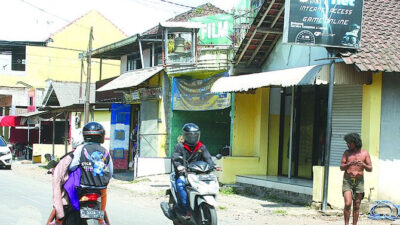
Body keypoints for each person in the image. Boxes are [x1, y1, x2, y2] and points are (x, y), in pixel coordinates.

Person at [172, 123, 220, 220]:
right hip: (184, 173)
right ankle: (187, 209)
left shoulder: (201, 146)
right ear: (185, 135)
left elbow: (208, 158)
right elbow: (175, 158)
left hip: (198, 173)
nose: (193, 137)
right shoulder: (180, 146)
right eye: (190, 135)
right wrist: (179, 166)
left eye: (195, 135)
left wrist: (214, 166)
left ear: (198, 135)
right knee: (181, 184)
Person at [69, 122, 113, 225]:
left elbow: (72, 166)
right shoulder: (105, 151)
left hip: (84, 186)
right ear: (101, 136)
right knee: (103, 195)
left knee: (70, 199)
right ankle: (101, 221)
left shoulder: (81, 148)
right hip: (100, 187)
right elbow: (110, 172)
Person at [46, 128, 84, 225]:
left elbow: (59, 178)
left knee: (59, 199)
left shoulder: (70, 156)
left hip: (71, 195)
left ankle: (57, 220)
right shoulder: (97, 154)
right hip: (94, 191)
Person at [340, 133, 372, 225]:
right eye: (347, 143)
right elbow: (341, 167)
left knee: (357, 206)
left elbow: (370, 168)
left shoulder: (364, 153)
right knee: (348, 203)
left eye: (349, 143)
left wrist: (363, 165)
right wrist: (348, 164)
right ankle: (346, 224)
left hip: (359, 182)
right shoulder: (346, 153)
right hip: (348, 181)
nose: (348, 145)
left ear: (355, 142)